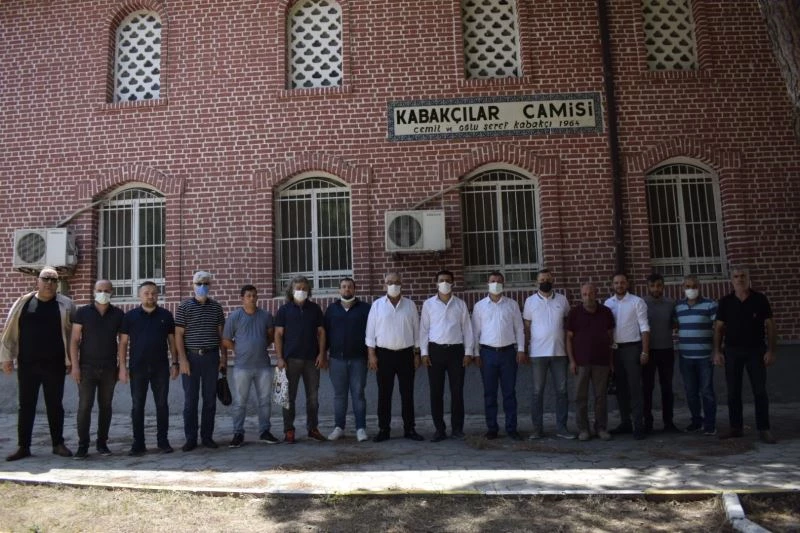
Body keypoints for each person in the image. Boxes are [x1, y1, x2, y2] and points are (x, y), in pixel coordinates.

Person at [2, 267, 75, 461]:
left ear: (57, 283)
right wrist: (6, 357)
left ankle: (58, 444)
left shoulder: (66, 304)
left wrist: (71, 359)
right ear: (38, 280)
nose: (49, 283)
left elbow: (73, 335)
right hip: (27, 364)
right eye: (46, 279)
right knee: (26, 405)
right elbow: (9, 331)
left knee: (55, 405)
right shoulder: (23, 303)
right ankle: (23, 446)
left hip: (55, 364)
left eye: (53, 280)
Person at [714, 267, 777, 444]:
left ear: (748, 278)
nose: (739, 279)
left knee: (760, 391)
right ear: (731, 280)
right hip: (732, 351)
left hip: (756, 351)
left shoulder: (760, 299)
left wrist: (771, 351)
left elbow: (770, 326)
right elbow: (718, 328)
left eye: (743, 276)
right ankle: (736, 427)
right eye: (736, 276)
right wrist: (717, 351)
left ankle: (764, 429)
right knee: (733, 391)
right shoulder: (725, 301)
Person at [118, 281, 179, 455]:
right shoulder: (130, 316)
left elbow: (172, 341)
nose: (150, 296)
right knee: (137, 406)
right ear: (140, 295)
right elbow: (123, 343)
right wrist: (122, 367)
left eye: (154, 293)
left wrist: (175, 363)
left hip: (161, 367)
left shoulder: (166, 315)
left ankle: (163, 441)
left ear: (158, 295)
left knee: (162, 404)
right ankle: (138, 443)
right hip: (138, 368)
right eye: (146, 293)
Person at [69, 279, 124, 458]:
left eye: (107, 290)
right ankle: (83, 445)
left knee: (106, 406)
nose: (103, 293)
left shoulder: (118, 314)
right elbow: (74, 340)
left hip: (109, 368)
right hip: (86, 367)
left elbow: (123, 342)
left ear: (112, 292)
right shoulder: (83, 312)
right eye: (99, 290)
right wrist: (75, 366)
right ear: (93, 292)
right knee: (85, 406)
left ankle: (102, 443)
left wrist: (121, 366)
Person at [366, 272, 423, 442]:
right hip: (384, 355)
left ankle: (410, 429)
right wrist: (371, 355)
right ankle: (384, 429)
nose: (393, 285)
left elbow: (417, 332)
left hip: (406, 355)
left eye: (397, 282)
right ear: (384, 285)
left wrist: (417, 354)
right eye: (389, 282)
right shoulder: (377, 306)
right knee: (384, 394)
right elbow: (370, 333)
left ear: (401, 284)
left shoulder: (410, 305)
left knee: (407, 393)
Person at [175, 271, 227, 451]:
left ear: (210, 285)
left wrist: (224, 358)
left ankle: (207, 437)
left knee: (210, 400)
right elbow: (178, 335)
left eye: (205, 283)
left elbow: (221, 335)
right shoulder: (184, 307)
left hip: (211, 358)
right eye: (198, 283)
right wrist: (182, 360)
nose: (202, 286)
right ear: (193, 285)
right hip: (191, 358)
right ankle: (190, 438)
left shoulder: (216, 308)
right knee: (191, 400)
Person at [419, 270, 474, 442]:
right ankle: (439, 429)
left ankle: (457, 428)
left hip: (456, 352)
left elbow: (467, 329)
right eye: (441, 280)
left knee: (457, 391)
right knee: (436, 392)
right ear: (436, 283)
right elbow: (424, 330)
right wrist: (424, 352)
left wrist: (468, 351)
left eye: (447, 280)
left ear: (453, 283)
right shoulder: (428, 304)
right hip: (435, 352)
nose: (444, 283)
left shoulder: (460, 304)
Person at [472, 271, 525, 441]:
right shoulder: (480, 306)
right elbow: (475, 332)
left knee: (509, 393)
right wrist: (475, 353)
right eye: (492, 281)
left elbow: (519, 328)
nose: (495, 284)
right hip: (487, 354)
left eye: (498, 281)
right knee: (490, 393)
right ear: (487, 284)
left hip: (508, 353)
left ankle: (511, 428)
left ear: (504, 284)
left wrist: (521, 349)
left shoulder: (512, 305)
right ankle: (492, 428)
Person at [223, 285, 278, 447]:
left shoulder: (266, 316)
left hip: (263, 366)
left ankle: (265, 431)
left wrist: (260, 345)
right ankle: (238, 433)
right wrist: (239, 349)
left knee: (265, 401)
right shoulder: (235, 317)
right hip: (242, 367)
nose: (252, 298)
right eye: (248, 296)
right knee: (240, 402)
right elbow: (226, 340)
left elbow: (271, 336)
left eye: (254, 295)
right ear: (242, 298)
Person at [274, 276, 327, 444]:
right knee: (288, 398)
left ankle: (313, 428)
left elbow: (321, 333)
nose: (301, 291)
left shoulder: (315, 309)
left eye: (304, 288)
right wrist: (279, 358)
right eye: (298, 288)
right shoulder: (284, 310)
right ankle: (289, 430)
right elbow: (278, 334)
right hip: (290, 361)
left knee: (313, 397)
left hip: (312, 360)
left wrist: (322, 354)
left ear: (309, 290)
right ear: (291, 290)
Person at [522, 269, 574, 440]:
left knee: (562, 391)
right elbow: (527, 327)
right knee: (537, 392)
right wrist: (526, 348)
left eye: (548, 279)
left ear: (553, 280)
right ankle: (537, 429)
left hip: (559, 353)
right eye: (542, 279)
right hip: (538, 353)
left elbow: (567, 324)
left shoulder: (562, 300)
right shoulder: (530, 301)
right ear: (537, 282)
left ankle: (562, 428)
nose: (545, 282)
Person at [566, 283, 615, 441]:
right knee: (580, 397)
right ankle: (583, 429)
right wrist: (571, 361)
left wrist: (611, 361)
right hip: (581, 362)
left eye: (591, 293)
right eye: (585, 294)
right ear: (581, 296)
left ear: (596, 294)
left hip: (601, 361)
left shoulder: (606, 312)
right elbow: (568, 339)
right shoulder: (574, 313)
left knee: (601, 397)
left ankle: (601, 428)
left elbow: (610, 337)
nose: (588, 297)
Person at [604, 273, 650, 440]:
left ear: (627, 284)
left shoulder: (637, 302)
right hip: (616, 350)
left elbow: (644, 327)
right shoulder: (608, 304)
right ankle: (625, 423)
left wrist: (645, 351)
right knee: (621, 388)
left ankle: (638, 425)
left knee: (635, 388)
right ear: (612, 285)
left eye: (622, 282)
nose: (619, 285)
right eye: (616, 283)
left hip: (632, 349)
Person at [324, 278, 371, 442]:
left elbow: (371, 332)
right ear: (339, 290)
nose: (347, 289)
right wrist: (323, 354)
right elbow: (325, 333)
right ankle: (339, 427)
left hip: (359, 359)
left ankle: (360, 428)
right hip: (337, 359)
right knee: (339, 395)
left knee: (358, 394)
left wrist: (371, 355)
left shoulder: (365, 309)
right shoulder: (332, 309)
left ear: (354, 289)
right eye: (343, 287)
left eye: (350, 287)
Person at [674, 275, 718, 436]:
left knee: (706, 391)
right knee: (691, 392)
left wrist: (716, 350)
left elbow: (718, 329)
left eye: (694, 286)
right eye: (687, 286)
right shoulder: (678, 306)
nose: (691, 289)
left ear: (699, 287)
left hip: (705, 357)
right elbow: (675, 325)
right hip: (685, 357)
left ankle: (710, 424)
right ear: (682, 288)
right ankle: (696, 421)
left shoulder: (710, 304)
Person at [642, 273, 679, 433]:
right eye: (652, 286)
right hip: (648, 351)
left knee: (667, 387)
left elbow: (675, 323)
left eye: (658, 286)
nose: (656, 289)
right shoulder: (642, 303)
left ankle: (668, 422)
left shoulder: (671, 303)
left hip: (667, 350)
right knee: (647, 388)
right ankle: (647, 423)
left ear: (663, 286)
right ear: (648, 287)